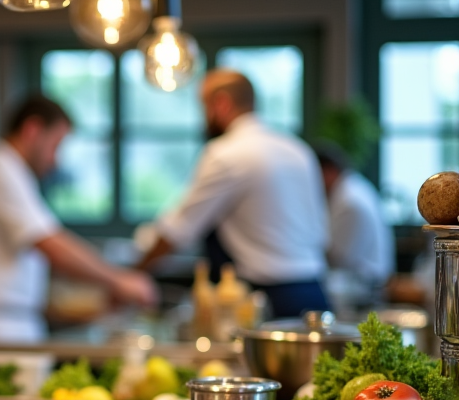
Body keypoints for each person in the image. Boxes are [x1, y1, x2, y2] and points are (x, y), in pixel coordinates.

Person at [0, 96, 158, 372]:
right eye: (55, 145)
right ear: (32, 130)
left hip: (4, 336)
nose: (55, 159)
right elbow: (53, 245)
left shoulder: (11, 174)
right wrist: (119, 281)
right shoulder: (0, 172)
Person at [138, 70, 329, 318]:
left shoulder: (226, 154)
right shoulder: (297, 150)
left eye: (204, 107)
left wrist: (135, 273)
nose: (203, 118)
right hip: (316, 293)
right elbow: (322, 233)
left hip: (267, 302)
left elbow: (178, 230)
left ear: (221, 104)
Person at [314, 140, 395, 305]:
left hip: (363, 287)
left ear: (328, 171)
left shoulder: (349, 201)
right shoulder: (354, 187)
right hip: (362, 281)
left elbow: (339, 257)